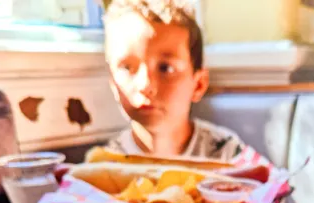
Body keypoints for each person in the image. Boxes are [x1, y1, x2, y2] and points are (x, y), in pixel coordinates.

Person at [104, 0, 245, 161]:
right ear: (113, 84)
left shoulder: (226, 152)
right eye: (127, 68)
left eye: (166, 68)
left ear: (198, 85)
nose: (145, 85)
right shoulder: (109, 162)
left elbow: (274, 184)